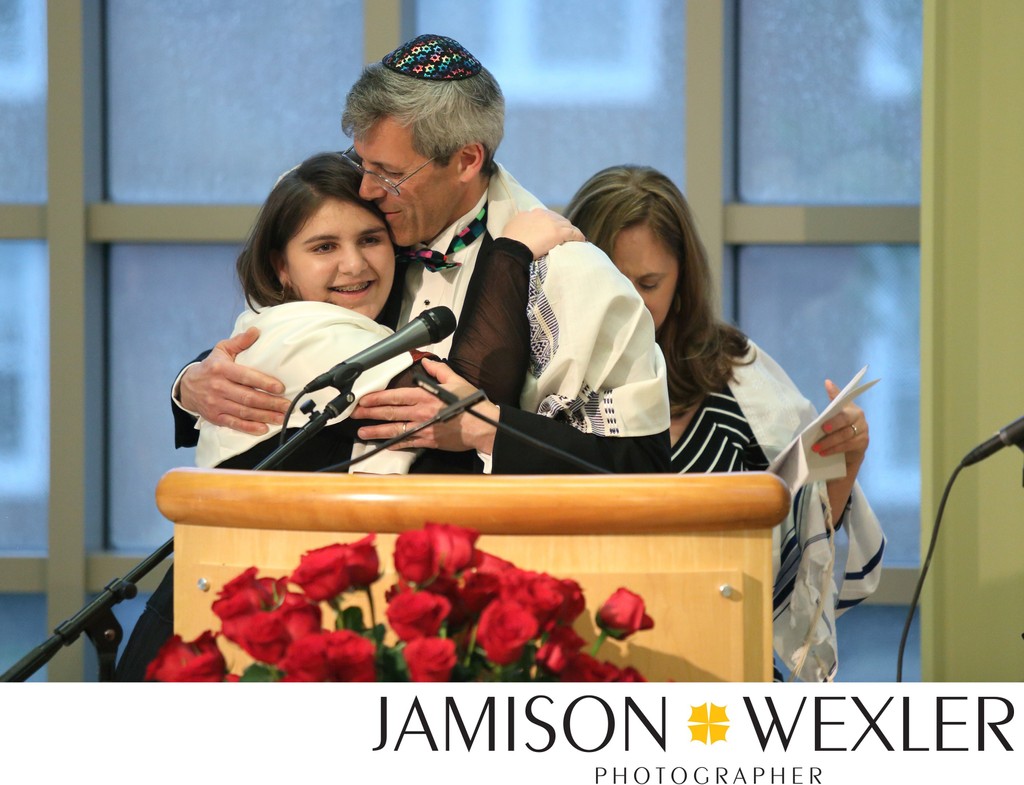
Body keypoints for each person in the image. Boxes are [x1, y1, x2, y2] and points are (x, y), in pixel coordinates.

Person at [114, 152, 581, 681]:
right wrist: (511, 254)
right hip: (214, 633)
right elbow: (456, 401)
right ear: (280, 267)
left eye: (370, 240)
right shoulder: (303, 331)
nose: (354, 265)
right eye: (324, 247)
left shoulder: (328, 329)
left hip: (263, 623)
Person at [169, 34, 671, 475]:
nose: (367, 189)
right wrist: (190, 384)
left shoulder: (563, 272)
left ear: (466, 160)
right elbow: (287, 335)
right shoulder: (365, 226)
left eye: (389, 173)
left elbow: (641, 464)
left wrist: (492, 430)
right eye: (361, 162)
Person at [564, 165, 886, 682]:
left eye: (649, 284)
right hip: (586, 664)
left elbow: (804, 535)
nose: (631, 306)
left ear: (682, 280)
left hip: (726, 660)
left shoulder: (734, 375)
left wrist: (844, 459)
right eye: (613, 284)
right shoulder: (540, 376)